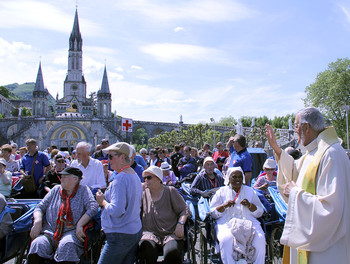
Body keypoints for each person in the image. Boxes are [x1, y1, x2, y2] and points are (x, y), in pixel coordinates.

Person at [265, 107, 350, 264]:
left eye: (296, 126)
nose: (294, 131)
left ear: (306, 127)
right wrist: (276, 149)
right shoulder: (314, 152)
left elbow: (331, 208)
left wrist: (296, 193)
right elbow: (295, 170)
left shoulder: (331, 154)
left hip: (327, 249)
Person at [27, 167, 98, 264]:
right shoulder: (56, 189)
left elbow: (93, 207)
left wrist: (80, 225)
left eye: (65, 176)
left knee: (67, 245)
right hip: (50, 231)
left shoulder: (83, 190)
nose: (61, 179)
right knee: (37, 244)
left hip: (71, 231)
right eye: (61, 176)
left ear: (75, 179)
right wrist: (38, 221)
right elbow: (40, 207)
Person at [96, 142, 143, 264]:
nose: (108, 160)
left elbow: (117, 210)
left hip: (120, 234)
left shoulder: (121, 178)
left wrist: (103, 202)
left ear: (122, 157)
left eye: (111, 156)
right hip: (132, 231)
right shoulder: (134, 175)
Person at [210, 167, 265, 264]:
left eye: (240, 177)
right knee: (226, 239)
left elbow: (260, 212)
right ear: (229, 178)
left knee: (260, 239)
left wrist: (249, 205)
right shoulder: (221, 192)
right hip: (226, 222)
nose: (237, 180)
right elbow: (213, 213)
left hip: (248, 221)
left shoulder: (250, 191)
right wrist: (224, 206)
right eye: (234, 177)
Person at [139, 166, 189, 264]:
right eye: (144, 178)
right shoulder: (143, 194)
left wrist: (181, 223)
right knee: (147, 249)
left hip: (170, 233)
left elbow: (184, 209)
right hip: (149, 233)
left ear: (158, 178)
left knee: (171, 252)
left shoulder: (170, 191)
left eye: (149, 177)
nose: (146, 180)